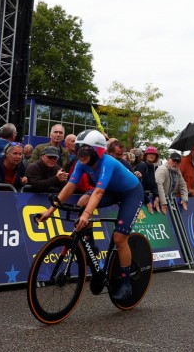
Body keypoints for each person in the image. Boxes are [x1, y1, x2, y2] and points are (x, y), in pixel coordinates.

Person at [36, 129, 143, 302]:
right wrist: (50, 211)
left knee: (119, 238)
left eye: (85, 150)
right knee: (81, 203)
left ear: (98, 151)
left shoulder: (107, 162)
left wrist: (86, 215)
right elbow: (70, 186)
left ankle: (126, 282)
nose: (81, 154)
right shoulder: (81, 163)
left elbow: (99, 191)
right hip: (111, 190)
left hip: (130, 192)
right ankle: (91, 246)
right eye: (79, 150)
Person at [134, 145, 160, 212]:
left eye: (154, 154)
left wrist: (156, 197)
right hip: (138, 199)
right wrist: (148, 202)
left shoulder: (151, 166)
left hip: (145, 197)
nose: (152, 156)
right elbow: (138, 186)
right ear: (145, 155)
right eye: (150, 154)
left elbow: (153, 183)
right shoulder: (142, 165)